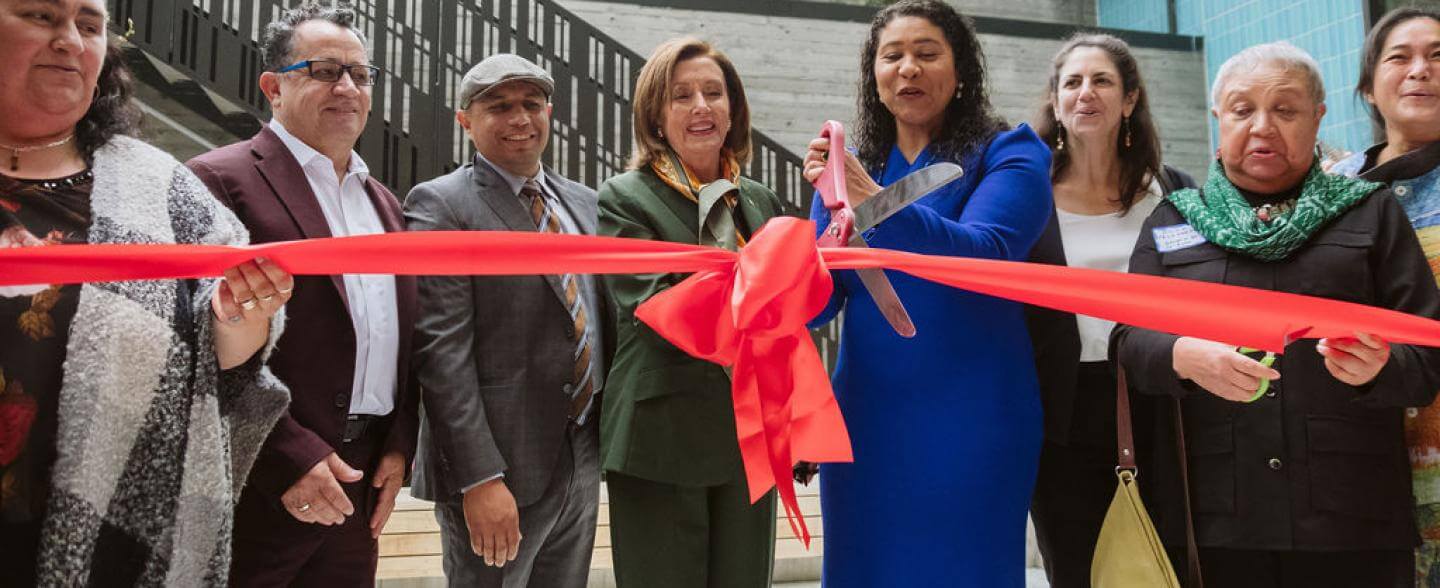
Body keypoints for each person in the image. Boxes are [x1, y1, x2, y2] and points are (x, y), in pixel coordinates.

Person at [1113, 42, 1440, 588]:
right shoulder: (1175, 219)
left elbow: (1426, 348)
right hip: (1216, 517)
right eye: (1242, 110)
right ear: (1218, 119)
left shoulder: (1370, 210)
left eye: (1285, 110)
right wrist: (1182, 356)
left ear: (1318, 117)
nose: (1262, 126)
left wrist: (1380, 368)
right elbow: (1128, 338)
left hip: (1352, 518)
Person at [0, 0, 292, 584]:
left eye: (89, 25)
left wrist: (242, 312)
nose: (70, 41)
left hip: (112, 538)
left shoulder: (164, 187)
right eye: (40, 16)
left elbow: (227, 358)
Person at [799, 0, 1053, 584]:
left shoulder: (1010, 151)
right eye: (892, 56)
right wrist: (773, 273)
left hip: (976, 415)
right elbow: (820, 304)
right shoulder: (849, 169)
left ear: (961, 70)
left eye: (927, 53)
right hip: (866, 417)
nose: (908, 68)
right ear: (875, 78)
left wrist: (873, 202)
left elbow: (986, 253)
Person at [185, 4, 419, 585]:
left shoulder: (385, 204)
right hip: (258, 483)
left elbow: (402, 335)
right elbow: (190, 344)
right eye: (324, 71)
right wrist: (286, 456)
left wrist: (397, 444)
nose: (347, 88)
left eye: (361, 76)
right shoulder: (217, 180)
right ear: (273, 86)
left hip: (361, 481)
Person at [404, 53, 606, 587]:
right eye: (499, 107)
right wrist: (479, 479)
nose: (520, 118)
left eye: (531, 105)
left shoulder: (585, 205)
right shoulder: (440, 205)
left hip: (580, 457)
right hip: (497, 469)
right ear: (465, 119)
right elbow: (441, 355)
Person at [597, 37, 785, 588]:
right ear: (656, 115)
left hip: (748, 435)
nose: (701, 106)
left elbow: (783, 316)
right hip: (661, 435)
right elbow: (655, 303)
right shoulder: (625, 197)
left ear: (733, 110)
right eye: (681, 96)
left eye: (713, 92)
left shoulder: (759, 201)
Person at [1023, 33, 1196, 587]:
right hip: (1062, 411)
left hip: (1162, 404)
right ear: (1055, 101)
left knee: (1166, 562)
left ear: (1129, 100)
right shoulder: (1027, 199)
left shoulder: (1171, 192)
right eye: (1071, 82)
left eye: (1102, 81)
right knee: (1078, 565)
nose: (1085, 93)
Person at [1330, 8, 1440, 583]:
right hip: (1357, 468)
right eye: (1400, 57)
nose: (1420, 70)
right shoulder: (1332, 189)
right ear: (1368, 86)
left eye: (1439, 56)